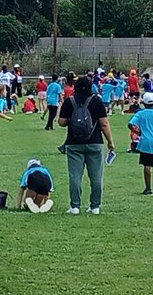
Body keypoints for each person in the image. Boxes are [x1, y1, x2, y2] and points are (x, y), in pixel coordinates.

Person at [58, 75, 115, 215]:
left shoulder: (70, 101)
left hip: (74, 143)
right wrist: (110, 141)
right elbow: (104, 123)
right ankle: (95, 206)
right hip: (95, 142)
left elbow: (61, 122)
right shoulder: (96, 101)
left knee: (75, 176)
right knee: (96, 177)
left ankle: (75, 206)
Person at [129, 92, 153, 195]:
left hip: (145, 141)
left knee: (147, 165)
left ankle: (148, 188)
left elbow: (130, 124)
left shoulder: (140, 113)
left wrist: (138, 132)